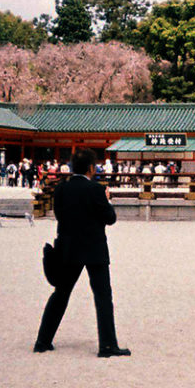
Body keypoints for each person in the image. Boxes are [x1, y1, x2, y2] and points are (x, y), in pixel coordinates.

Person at [34, 149, 129, 358]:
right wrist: (107, 200)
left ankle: (43, 340)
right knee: (103, 296)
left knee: (61, 293)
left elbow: (59, 214)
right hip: (94, 248)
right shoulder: (96, 189)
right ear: (91, 168)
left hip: (68, 248)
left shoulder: (61, 189)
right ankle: (107, 345)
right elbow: (110, 218)